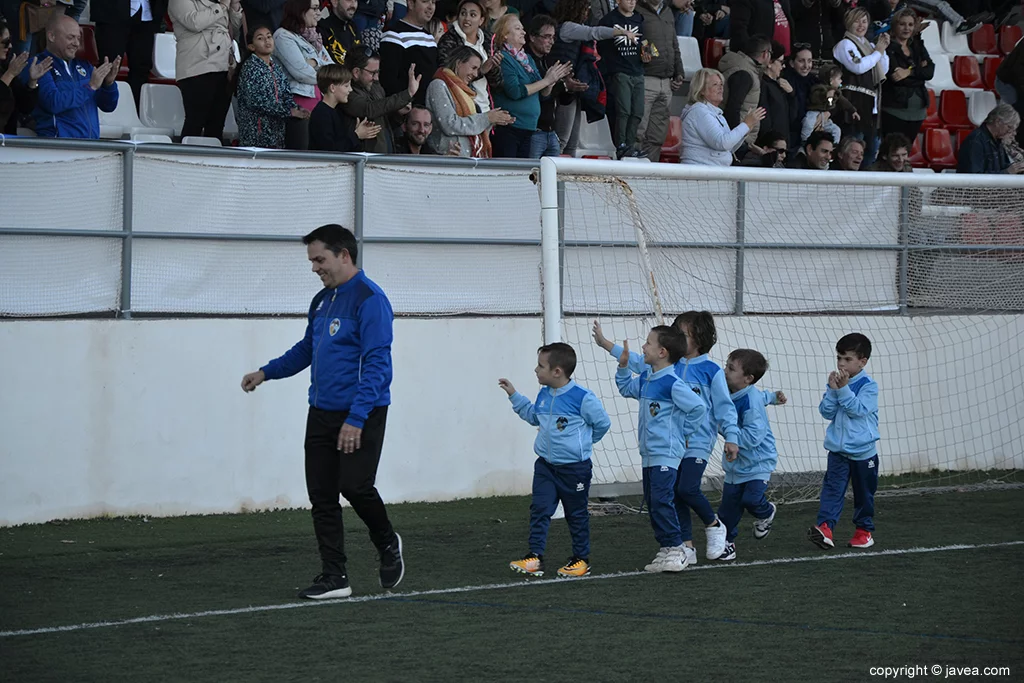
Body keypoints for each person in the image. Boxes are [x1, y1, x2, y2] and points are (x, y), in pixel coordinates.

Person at [241, 224, 404, 599]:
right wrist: (266, 372)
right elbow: (306, 349)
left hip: (362, 413)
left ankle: (387, 542)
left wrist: (356, 418)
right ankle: (335, 577)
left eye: (320, 259)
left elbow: (378, 365)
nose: (315, 267)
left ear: (343, 255)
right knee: (322, 496)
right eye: (312, 260)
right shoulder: (322, 300)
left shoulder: (370, 299)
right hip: (321, 412)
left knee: (355, 487)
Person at [595, 311, 737, 566]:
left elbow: (722, 407)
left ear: (700, 338)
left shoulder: (711, 370)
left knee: (686, 488)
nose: (678, 337)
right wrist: (607, 345)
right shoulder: (661, 370)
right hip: (668, 445)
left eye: (683, 333)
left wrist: (731, 436)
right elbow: (635, 362)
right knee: (671, 492)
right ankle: (685, 546)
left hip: (697, 441)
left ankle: (714, 526)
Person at [499, 342, 611, 578]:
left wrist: (584, 446)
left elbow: (602, 424)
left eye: (541, 366)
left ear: (557, 371)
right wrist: (514, 395)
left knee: (576, 514)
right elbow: (533, 416)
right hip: (546, 467)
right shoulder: (544, 394)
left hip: (575, 470)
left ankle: (581, 560)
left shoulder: (583, 398)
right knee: (540, 509)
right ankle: (534, 558)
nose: (536, 370)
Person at [613, 326, 707, 572]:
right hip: (649, 453)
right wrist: (623, 367)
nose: (643, 347)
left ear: (662, 352)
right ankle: (666, 547)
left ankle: (678, 548)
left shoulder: (672, 383)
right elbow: (625, 389)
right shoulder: (646, 378)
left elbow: (698, 408)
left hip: (667, 452)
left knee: (663, 499)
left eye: (647, 343)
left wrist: (684, 433)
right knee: (654, 501)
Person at [808, 333, 880, 550]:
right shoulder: (836, 384)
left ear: (862, 361)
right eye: (839, 358)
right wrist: (832, 390)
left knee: (863, 495)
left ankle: (864, 531)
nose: (841, 364)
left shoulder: (869, 385)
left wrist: (843, 389)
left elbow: (858, 410)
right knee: (832, 491)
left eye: (847, 359)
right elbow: (826, 412)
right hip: (838, 452)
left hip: (863, 453)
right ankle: (825, 528)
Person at [715, 348, 784, 562]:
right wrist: (772, 396)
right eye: (727, 365)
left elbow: (754, 436)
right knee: (728, 507)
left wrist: (731, 438)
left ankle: (766, 512)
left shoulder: (750, 403)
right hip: (736, 465)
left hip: (758, 462)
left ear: (747, 378)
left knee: (752, 499)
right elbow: (761, 394)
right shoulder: (728, 391)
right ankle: (727, 544)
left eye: (731, 368)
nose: (725, 371)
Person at [491, 13, 571, 157]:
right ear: (504, 35)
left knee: (525, 177)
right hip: (510, 129)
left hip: (528, 129)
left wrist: (552, 80)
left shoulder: (526, 59)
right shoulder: (503, 58)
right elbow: (515, 91)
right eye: (517, 29)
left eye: (522, 28)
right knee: (508, 175)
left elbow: (543, 94)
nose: (524, 32)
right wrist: (546, 80)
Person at [27, 16, 120, 139]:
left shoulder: (85, 66)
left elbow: (108, 106)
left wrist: (109, 84)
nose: (76, 43)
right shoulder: (38, 65)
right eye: (70, 37)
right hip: (57, 147)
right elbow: (53, 103)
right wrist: (90, 87)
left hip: (91, 146)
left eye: (78, 38)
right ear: (51, 37)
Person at [170, 0, 241, 140]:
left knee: (217, 123)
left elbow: (234, 28)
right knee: (195, 121)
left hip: (223, 64)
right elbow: (194, 22)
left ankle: (212, 161)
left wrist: (234, 7)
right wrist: (222, 6)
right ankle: (185, 159)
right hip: (197, 64)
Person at [426, 46, 514, 156]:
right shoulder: (438, 85)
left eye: (477, 69)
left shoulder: (467, 92)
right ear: (458, 63)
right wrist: (486, 118)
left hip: (470, 158)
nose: (476, 74)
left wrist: (492, 120)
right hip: (448, 158)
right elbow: (449, 125)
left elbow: (473, 129)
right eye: (473, 68)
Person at [833, 7, 889, 168]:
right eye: (857, 20)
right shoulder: (845, 44)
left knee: (870, 152)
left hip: (870, 107)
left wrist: (882, 50)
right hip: (853, 106)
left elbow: (883, 70)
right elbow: (857, 67)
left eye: (864, 21)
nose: (861, 25)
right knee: (851, 150)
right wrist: (878, 52)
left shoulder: (870, 45)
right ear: (848, 23)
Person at [236, 25, 310, 148]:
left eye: (269, 37)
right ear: (251, 46)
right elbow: (256, 101)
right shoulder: (250, 68)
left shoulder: (276, 67)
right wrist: (290, 111)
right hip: (256, 135)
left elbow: (286, 94)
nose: (267, 41)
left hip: (277, 133)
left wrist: (297, 108)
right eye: (260, 38)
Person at [275, 0, 335, 149]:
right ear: (299, 10)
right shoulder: (283, 36)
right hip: (300, 103)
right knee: (303, 154)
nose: (319, 13)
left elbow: (333, 70)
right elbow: (302, 73)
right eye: (314, 8)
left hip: (320, 101)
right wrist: (319, 64)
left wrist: (313, 62)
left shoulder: (314, 38)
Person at [677, 67, 766, 166]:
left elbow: (729, 147)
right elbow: (722, 143)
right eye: (715, 84)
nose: (720, 88)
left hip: (711, 171)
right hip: (699, 172)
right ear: (701, 89)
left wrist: (746, 130)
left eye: (721, 84)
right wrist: (745, 125)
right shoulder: (699, 111)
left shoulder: (717, 114)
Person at [91, 0, 168, 108]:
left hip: (146, 14)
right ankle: (104, 112)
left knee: (142, 68)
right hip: (112, 13)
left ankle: (136, 111)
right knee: (109, 66)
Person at [341, 50, 420, 153]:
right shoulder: (347, 92)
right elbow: (370, 109)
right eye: (373, 73)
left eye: (378, 72)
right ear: (356, 72)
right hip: (364, 162)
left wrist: (398, 114)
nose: (376, 77)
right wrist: (408, 94)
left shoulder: (375, 87)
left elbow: (384, 120)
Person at [634, 0, 684, 161]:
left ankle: (649, 174)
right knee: (638, 131)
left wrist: (679, 72)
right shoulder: (636, 10)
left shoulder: (668, 12)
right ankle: (632, 173)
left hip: (666, 81)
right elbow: (639, 38)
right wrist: (645, 52)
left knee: (657, 135)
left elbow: (674, 44)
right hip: (645, 77)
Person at [436, 0, 504, 114]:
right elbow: (447, 76)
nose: (467, 18)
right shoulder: (449, 40)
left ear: (481, 20)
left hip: (485, 108)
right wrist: (480, 71)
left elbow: (498, 83)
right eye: (463, 13)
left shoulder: (488, 41)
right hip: (459, 109)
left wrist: (493, 67)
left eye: (473, 15)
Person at [597, 0, 644, 156]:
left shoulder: (639, 18)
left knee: (637, 111)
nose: (632, 2)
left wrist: (651, 54)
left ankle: (630, 145)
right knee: (623, 110)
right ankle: (621, 145)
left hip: (638, 71)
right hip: (619, 71)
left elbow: (645, 41)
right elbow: (601, 47)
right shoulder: (609, 20)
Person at [880, 8, 934, 144]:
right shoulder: (888, 47)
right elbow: (895, 77)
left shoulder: (917, 45)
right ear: (895, 25)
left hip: (918, 111)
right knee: (891, 150)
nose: (907, 28)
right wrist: (919, 71)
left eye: (910, 24)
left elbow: (929, 72)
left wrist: (908, 72)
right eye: (902, 24)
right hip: (894, 110)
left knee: (905, 152)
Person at [308, 62, 382, 151]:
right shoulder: (321, 114)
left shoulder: (336, 111)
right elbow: (329, 150)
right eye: (346, 86)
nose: (350, 90)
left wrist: (358, 132)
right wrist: (356, 135)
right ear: (332, 88)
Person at [379, 0, 439, 105]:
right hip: (406, 110)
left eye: (433, 2)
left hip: (428, 110)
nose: (431, 7)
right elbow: (388, 80)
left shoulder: (430, 38)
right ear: (411, 3)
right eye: (425, 1)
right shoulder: (393, 34)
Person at [718, 34, 772, 146]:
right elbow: (733, 108)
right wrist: (735, 139)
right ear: (765, 54)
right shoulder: (744, 74)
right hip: (736, 140)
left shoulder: (748, 70)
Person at [524, 14, 565, 157]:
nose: (551, 42)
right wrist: (548, 84)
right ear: (532, 37)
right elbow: (527, 95)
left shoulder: (549, 61)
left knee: (554, 178)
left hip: (551, 131)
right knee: (531, 177)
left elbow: (561, 99)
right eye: (547, 37)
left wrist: (567, 88)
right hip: (533, 132)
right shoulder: (524, 61)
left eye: (553, 37)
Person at [1, 19, 51, 134]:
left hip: (7, 143)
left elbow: (25, 108)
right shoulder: (9, 71)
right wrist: (10, 74)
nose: (10, 46)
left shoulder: (5, 68)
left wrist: (32, 82)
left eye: (11, 41)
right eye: (6, 41)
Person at [957, 103, 1024, 175]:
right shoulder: (975, 141)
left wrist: (1018, 168)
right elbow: (974, 178)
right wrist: (1007, 172)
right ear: (998, 122)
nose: (1011, 132)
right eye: (1009, 127)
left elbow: (1004, 166)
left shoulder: (998, 140)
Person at [759, 40, 795, 146]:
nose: (783, 67)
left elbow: (791, 116)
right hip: (772, 146)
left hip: (782, 143)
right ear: (770, 63)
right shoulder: (763, 85)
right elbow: (764, 119)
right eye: (781, 62)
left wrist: (791, 94)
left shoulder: (779, 85)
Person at [319, 0, 362, 65]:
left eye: (356, 0)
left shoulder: (353, 28)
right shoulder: (322, 29)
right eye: (349, 0)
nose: (354, 5)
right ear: (335, 2)